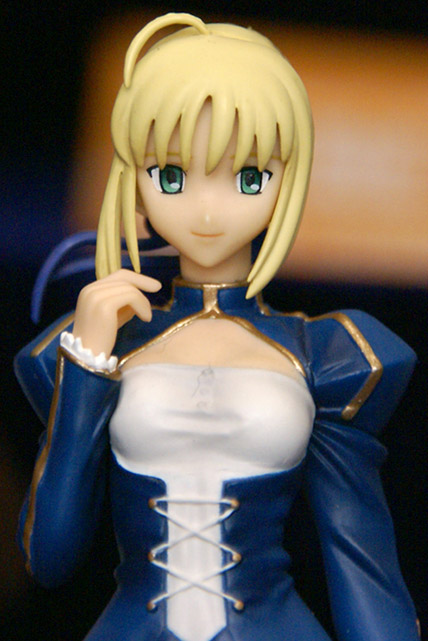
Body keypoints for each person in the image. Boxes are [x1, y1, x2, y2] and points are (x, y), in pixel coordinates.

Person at [15, 13, 419, 641]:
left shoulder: (326, 356)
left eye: (248, 177)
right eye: (171, 177)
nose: (207, 210)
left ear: (288, 179)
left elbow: (359, 557)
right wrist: (88, 364)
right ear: (133, 178)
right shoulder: (99, 344)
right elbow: (51, 558)